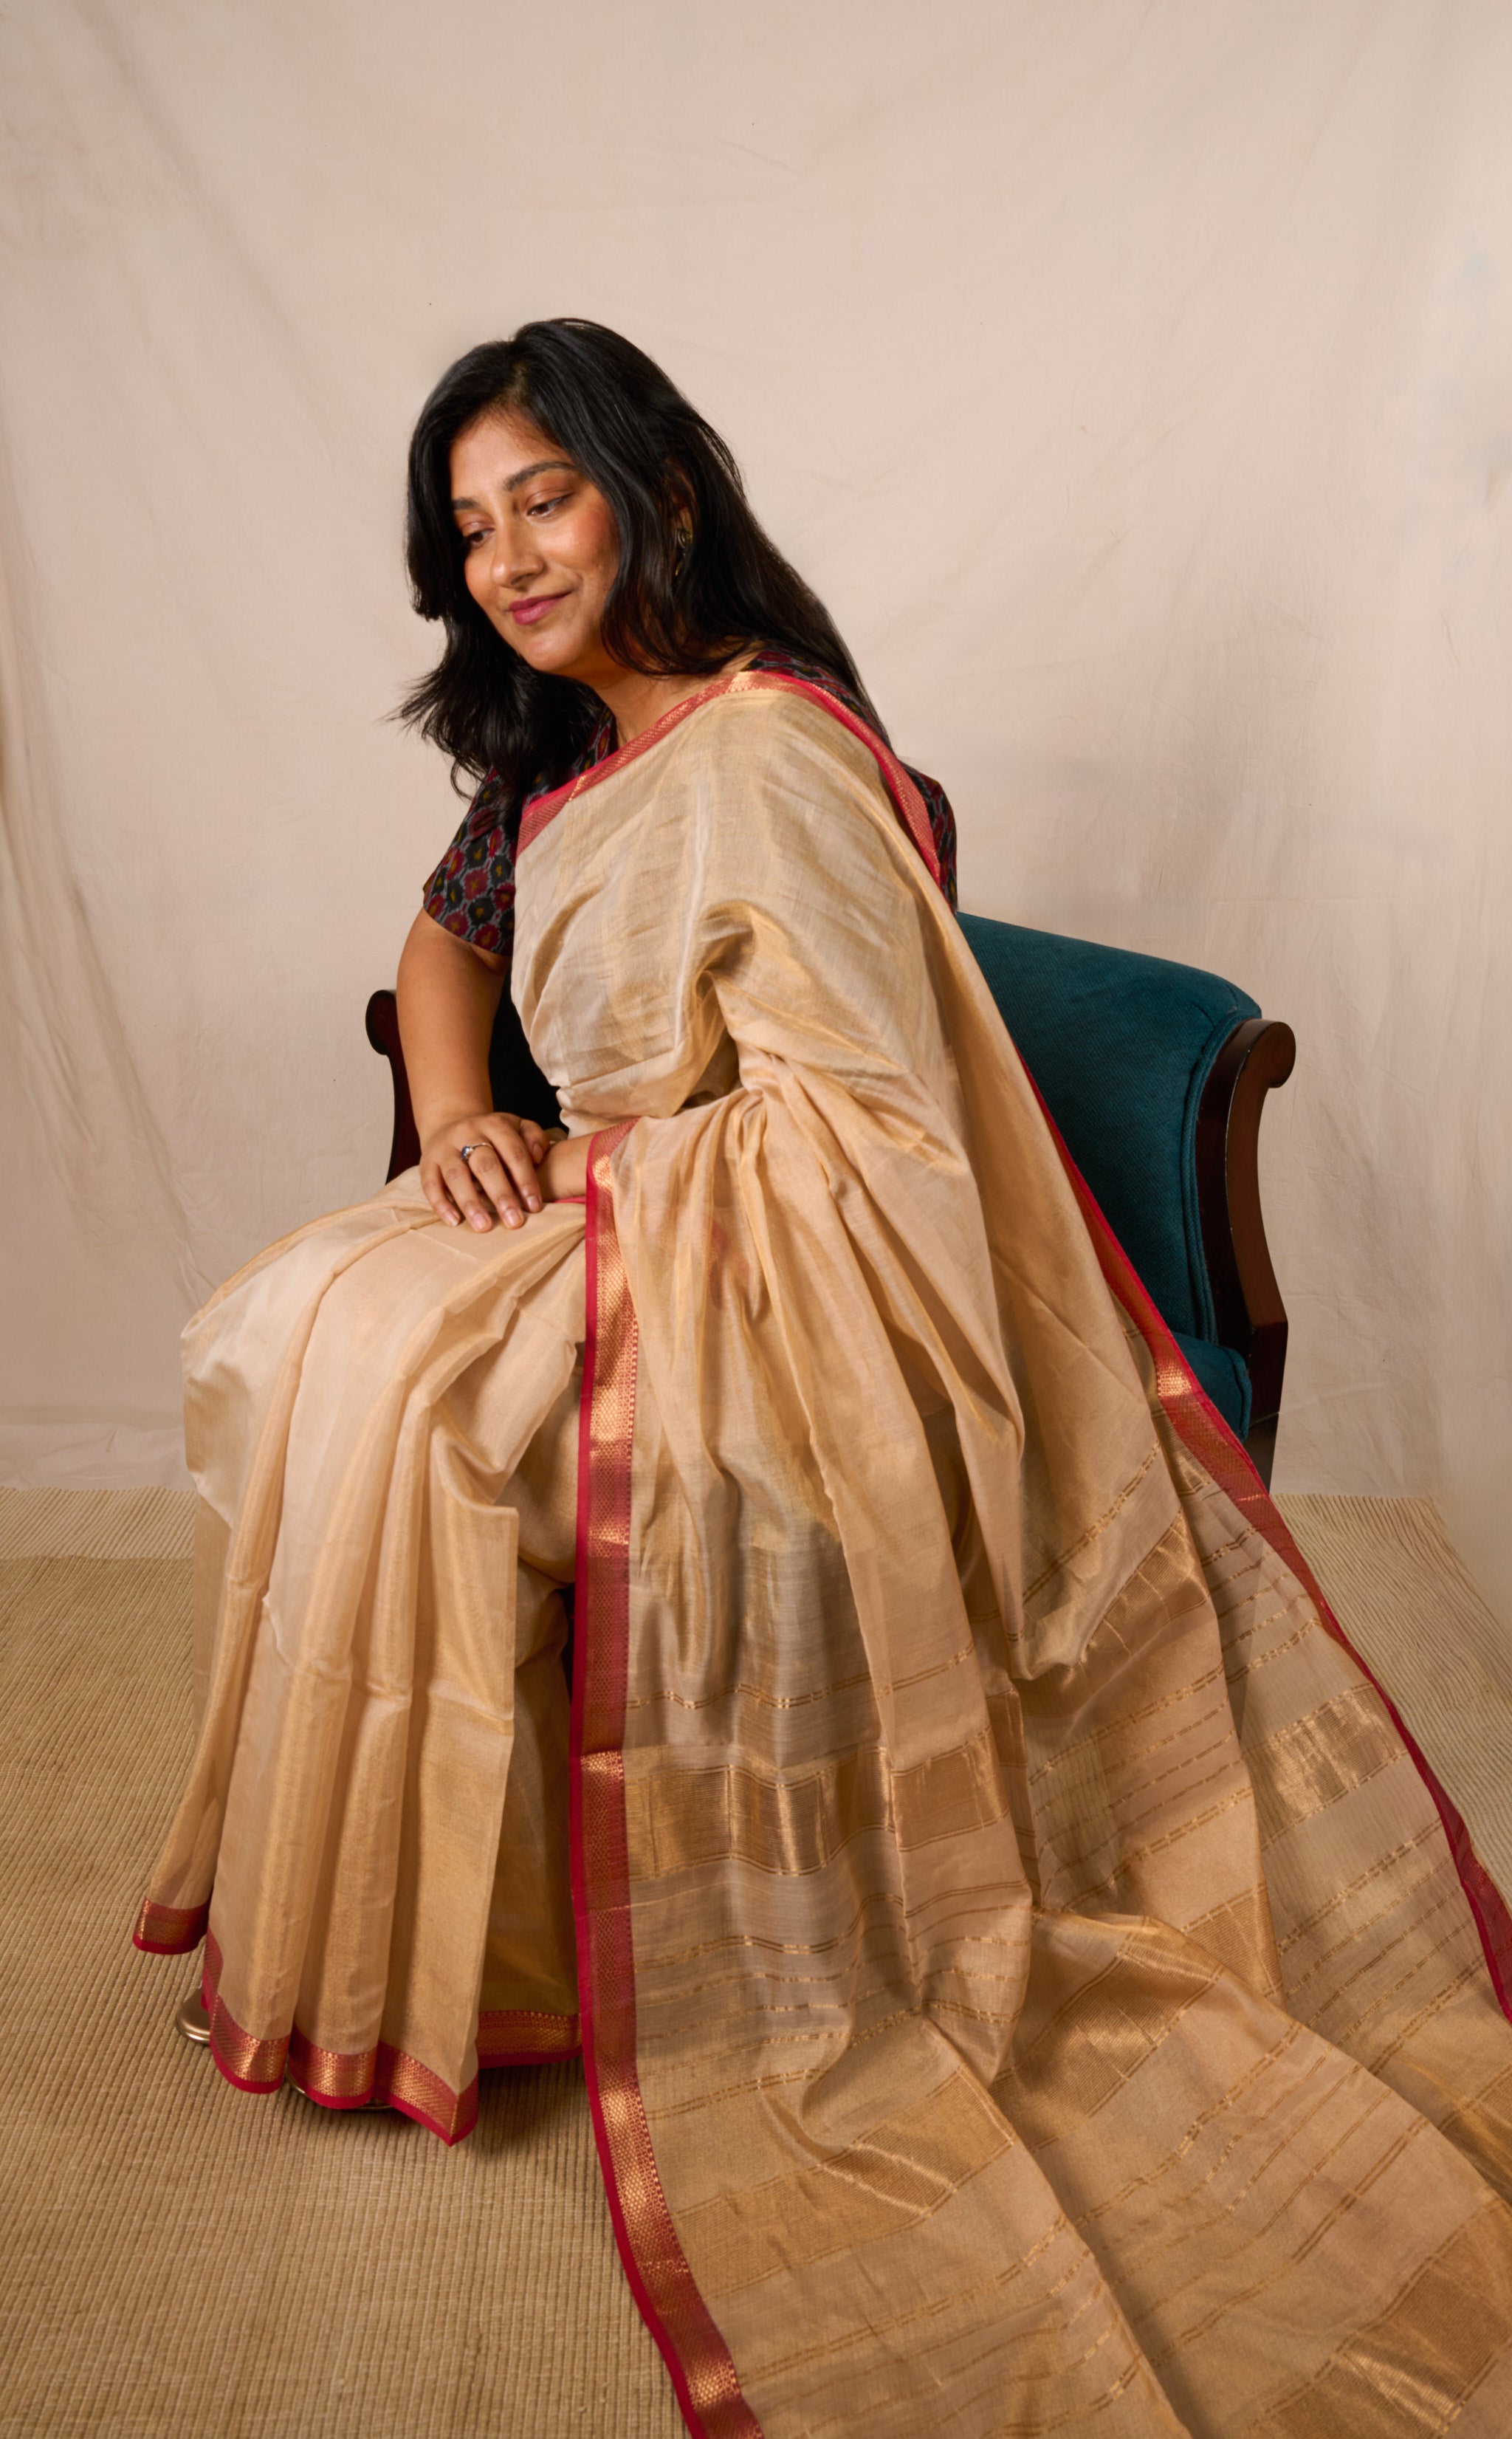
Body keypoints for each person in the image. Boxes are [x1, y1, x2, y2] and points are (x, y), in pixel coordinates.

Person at [137, 320, 1512, 2438]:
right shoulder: (555, 765)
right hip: (614, 1205)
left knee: (404, 1377)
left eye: (547, 497)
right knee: (315, 1320)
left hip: (780, 1263)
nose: (508, 553)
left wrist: (589, 1172)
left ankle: (538, 1949)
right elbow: (446, 939)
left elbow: (870, 1135)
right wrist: (460, 1114)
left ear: (658, 491)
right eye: (470, 524)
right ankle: (423, 1943)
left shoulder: (771, 744)